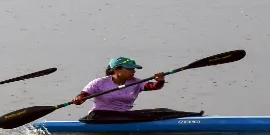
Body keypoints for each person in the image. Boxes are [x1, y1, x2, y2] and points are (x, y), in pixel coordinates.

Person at [71, 56, 201, 123]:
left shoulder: (135, 82)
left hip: (123, 116)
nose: (133, 71)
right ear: (117, 69)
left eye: (134, 69)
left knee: (162, 111)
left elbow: (154, 86)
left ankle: (192, 116)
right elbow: (83, 95)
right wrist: (78, 99)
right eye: (130, 69)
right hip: (100, 116)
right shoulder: (99, 83)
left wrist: (160, 80)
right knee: (151, 115)